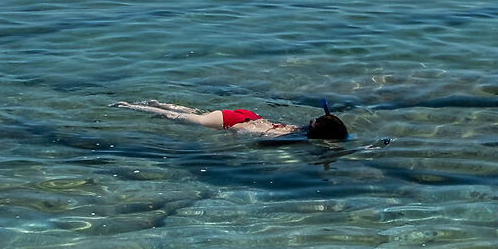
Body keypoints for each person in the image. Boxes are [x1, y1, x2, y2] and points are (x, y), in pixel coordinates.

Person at [117, 99, 350, 142]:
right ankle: (131, 106)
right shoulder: (296, 137)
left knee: (192, 113)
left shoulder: (298, 130)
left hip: (247, 116)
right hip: (230, 122)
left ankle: (156, 102)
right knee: (176, 117)